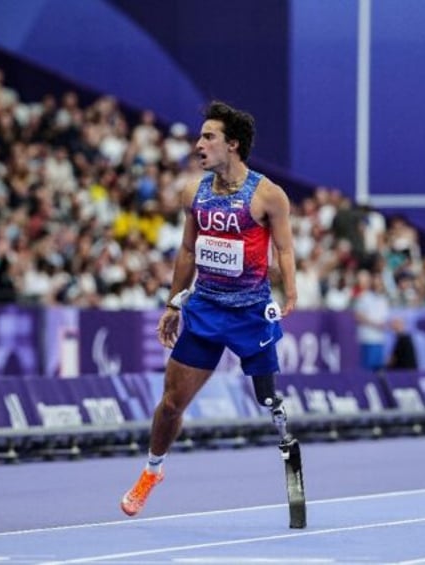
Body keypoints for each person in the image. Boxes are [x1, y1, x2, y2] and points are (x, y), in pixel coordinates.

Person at [120, 101, 298, 517]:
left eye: (208, 137)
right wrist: (173, 303)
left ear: (232, 145)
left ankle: (285, 434)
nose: (199, 144)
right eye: (200, 137)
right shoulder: (193, 192)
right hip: (204, 310)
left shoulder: (268, 195)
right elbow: (186, 250)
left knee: (268, 401)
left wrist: (290, 292)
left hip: (251, 312)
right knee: (171, 404)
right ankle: (152, 471)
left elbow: (285, 249)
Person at [353, 269, 391, 372]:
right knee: (367, 370)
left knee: (379, 370)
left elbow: (385, 319)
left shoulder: (383, 299)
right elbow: (358, 316)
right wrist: (375, 324)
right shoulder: (364, 297)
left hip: (380, 340)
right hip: (368, 339)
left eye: (379, 282)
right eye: (375, 282)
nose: (377, 285)